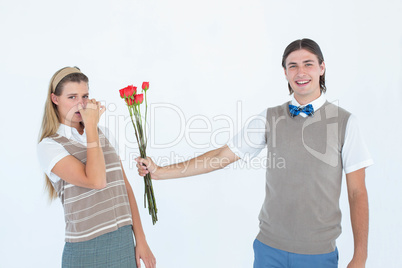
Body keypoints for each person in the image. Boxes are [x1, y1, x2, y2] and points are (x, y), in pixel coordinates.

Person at [136, 39, 373, 268]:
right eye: (293, 65)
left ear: (322, 68)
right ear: (285, 72)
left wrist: (360, 257)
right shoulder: (270, 117)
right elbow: (221, 156)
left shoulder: (345, 122)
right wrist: (160, 172)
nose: (301, 72)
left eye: (308, 64)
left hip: (318, 254)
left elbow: (357, 192)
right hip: (268, 249)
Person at [37, 67, 156, 268]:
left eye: (85, 96)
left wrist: (141, 240)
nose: (80, 104)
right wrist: (91, 127)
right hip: (85, 248)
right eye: (72, 97)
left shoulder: (105, 134)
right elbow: (96, 181)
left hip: (123, 240)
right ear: (55, 99)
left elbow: (124, 189)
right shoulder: (49, 146)